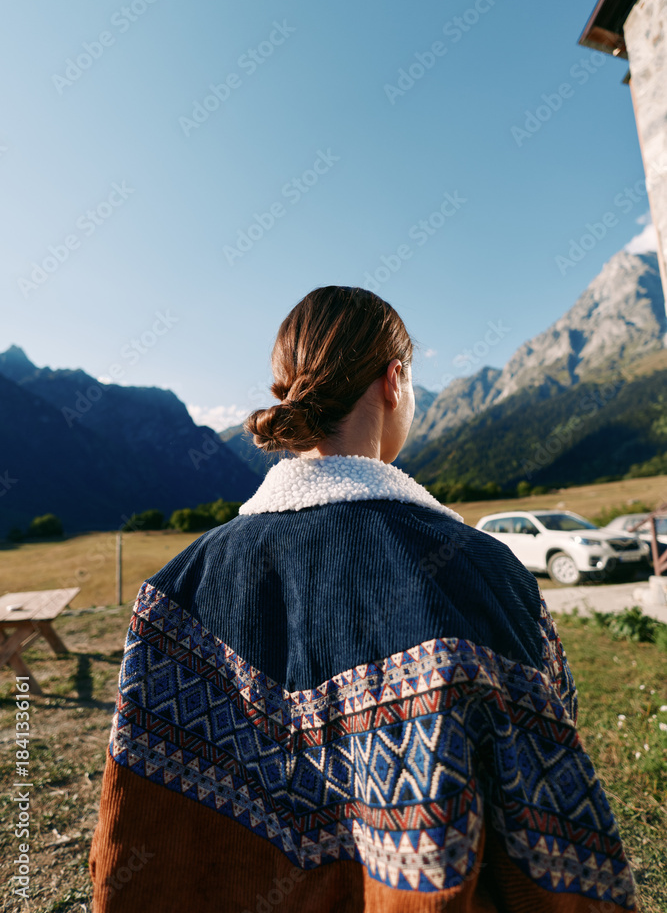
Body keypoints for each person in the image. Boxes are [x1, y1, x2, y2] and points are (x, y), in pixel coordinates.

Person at [89, 285, 637, 911]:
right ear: (394, 379)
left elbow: (137, 823)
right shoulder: (485, 570)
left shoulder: (177, 588)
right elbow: (553, 813)